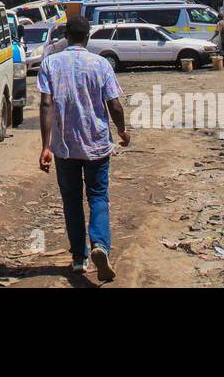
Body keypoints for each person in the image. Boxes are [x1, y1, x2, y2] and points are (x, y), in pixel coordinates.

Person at [38, 15, 130, 283]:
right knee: (98, 196)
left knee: (72, 200)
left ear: (66, 35)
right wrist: (123, 130)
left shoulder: (50, 63)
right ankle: (100, 245)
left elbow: (46, 105)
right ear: (87, 36)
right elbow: (114, 104)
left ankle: (79, 258)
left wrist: (45, 146)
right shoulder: (100, 64)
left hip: (64, 147)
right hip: (96, 144)